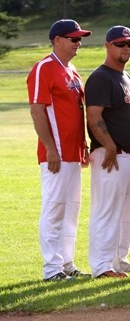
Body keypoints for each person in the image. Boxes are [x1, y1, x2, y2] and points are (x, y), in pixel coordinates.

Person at [28, 19, 93, 282]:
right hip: (56, 154)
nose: (78, 43)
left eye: (79, 39)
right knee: (54, 209)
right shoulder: (44, 68)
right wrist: (50, 148)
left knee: (71, 211)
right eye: (73, 39)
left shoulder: (72, 70)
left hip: (73, 153)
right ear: (57, 40)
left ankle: (67, 263)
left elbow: (75, 112)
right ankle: (51, 269)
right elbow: (37, 109)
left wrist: (83, 146)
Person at [85, 26, 130, 278]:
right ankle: (101, 266)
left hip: (129, 154)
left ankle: (118, 259)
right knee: (106, 211)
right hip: (111, 155)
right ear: (108, 46)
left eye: (129, 45)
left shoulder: (123, 76)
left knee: (125, 213)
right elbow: (94, 116)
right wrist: (109, 144)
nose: (126, 49)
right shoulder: (101, 77)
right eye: (121, 44)